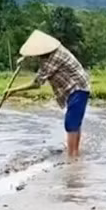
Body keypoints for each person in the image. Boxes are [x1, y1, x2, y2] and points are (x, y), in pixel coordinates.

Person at [15, 30, 90, 159]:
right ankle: (74, 154)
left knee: (71, 123)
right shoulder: (55, 51)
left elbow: (37, 83)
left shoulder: (53, 59)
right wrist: (24, 59)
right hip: (78, 87)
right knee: (74, 123)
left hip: (77, 88)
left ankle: (72, 157)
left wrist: (13, 91)